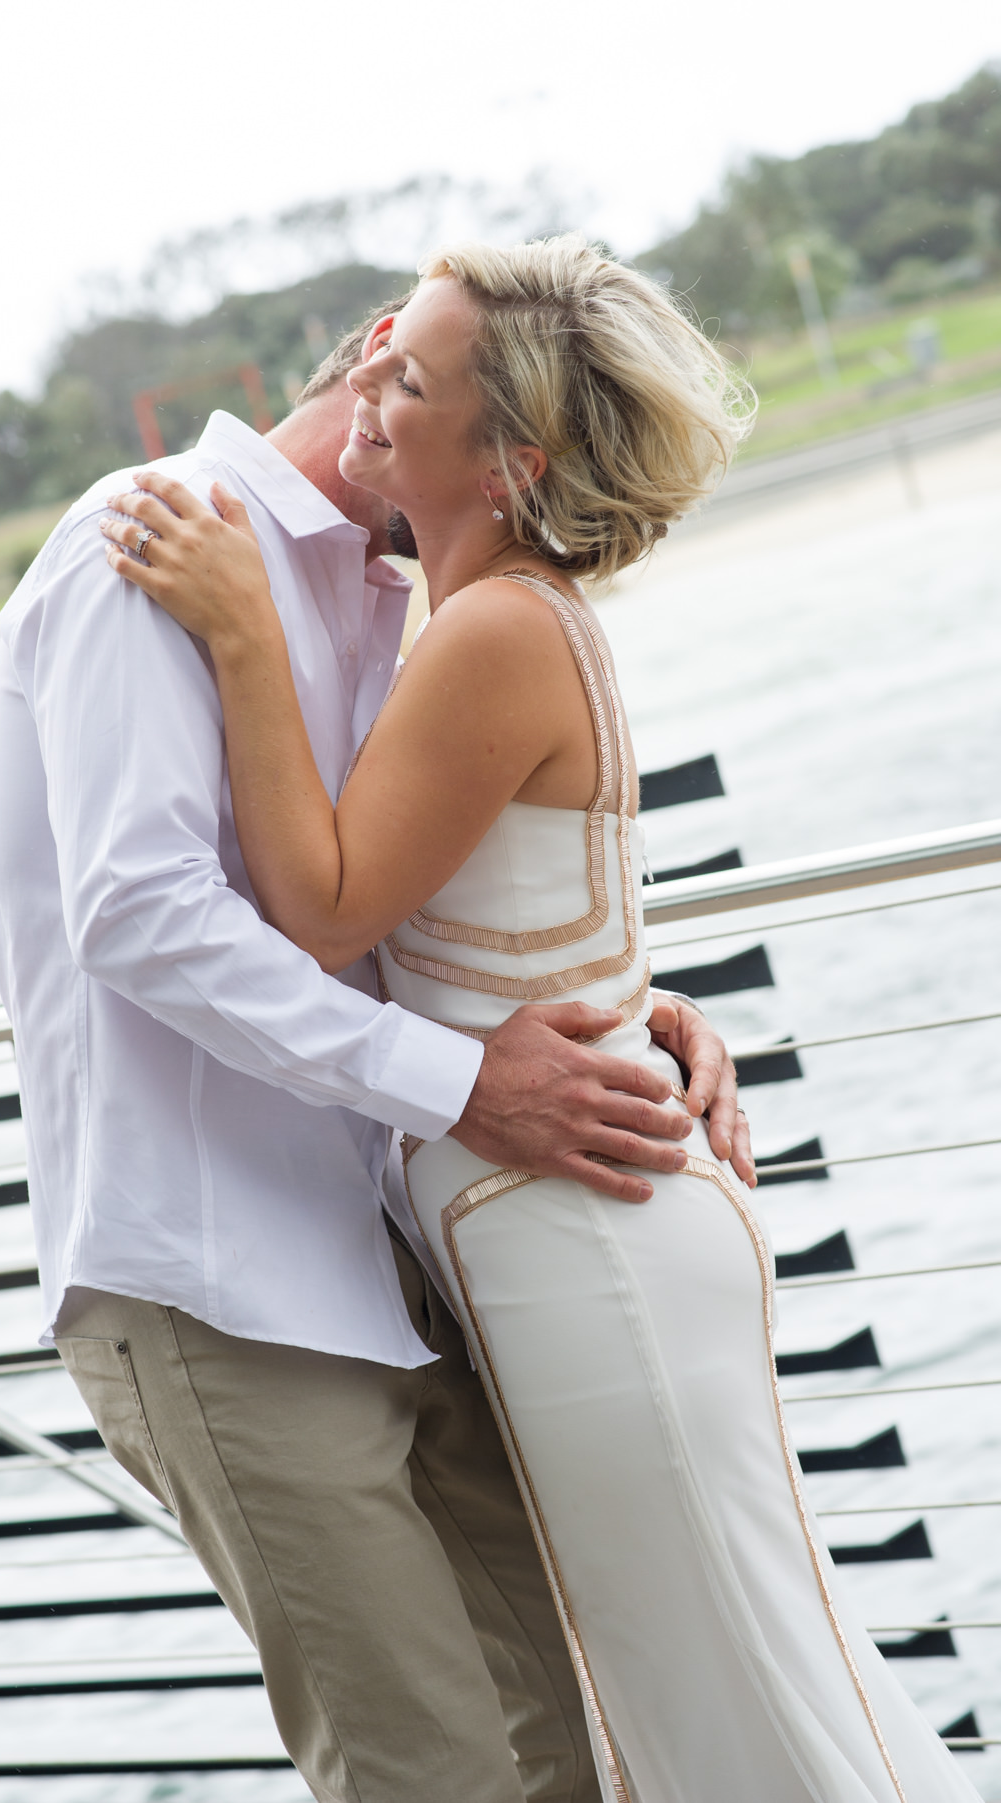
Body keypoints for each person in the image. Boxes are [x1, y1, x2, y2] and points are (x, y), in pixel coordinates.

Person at [100, 236, 981, 1803]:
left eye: (412, 375)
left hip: (594, 1254)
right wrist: (645, 1005)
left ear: (513, 457)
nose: (364, 377)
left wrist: (240, 631)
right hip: (576, 1234)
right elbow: (506, 917)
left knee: (730, 1707)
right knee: (708, 1690)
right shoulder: (479, 617)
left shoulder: (496, 630)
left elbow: (323, 911)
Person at [0, 274, 751, 1803]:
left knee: (589, 1743)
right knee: (431, 1777)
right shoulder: (153, 539)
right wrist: (468, 1080)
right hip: (220, 1286)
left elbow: (385, 903)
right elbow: (142, 918)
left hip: (418, 1254)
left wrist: (620, 1011)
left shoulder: (410, 595)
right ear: (391, 363)